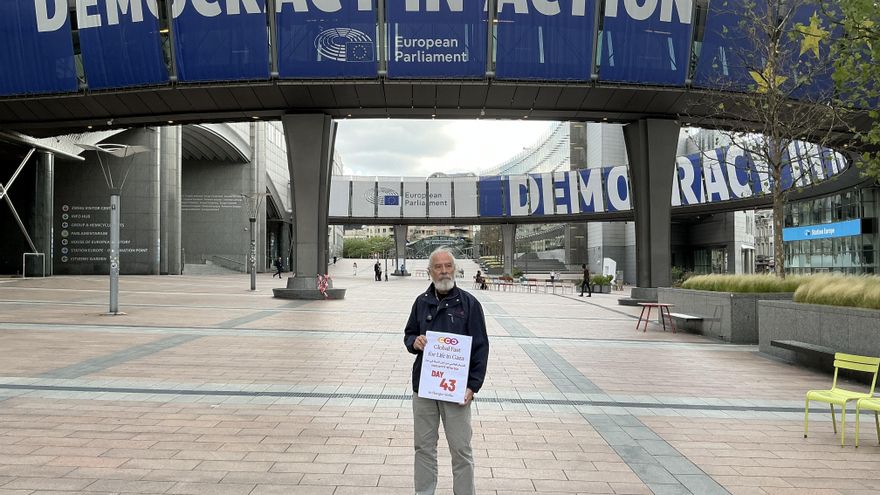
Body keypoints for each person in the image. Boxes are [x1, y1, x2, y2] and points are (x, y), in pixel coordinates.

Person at [404, 248, 489, 495]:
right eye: (438, 267)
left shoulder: (469, 304)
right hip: (425, 388)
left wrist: (473, 386)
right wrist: (414, 342)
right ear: (430, 272)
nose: (443, 271)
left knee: (461, 449)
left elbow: (481, 347)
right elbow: (409, 333)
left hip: (457, 390)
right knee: (423, 447)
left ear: (455, 269)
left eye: (447, 266)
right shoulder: (421, 302)